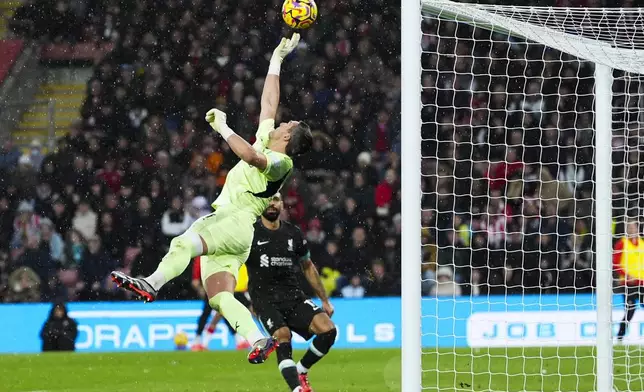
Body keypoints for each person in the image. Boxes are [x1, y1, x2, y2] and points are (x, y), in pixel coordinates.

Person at [110, 33, 313, 364]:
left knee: (182, 244)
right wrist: (276, 60)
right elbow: (268, 104)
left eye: (285, 125)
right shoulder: (267, 138)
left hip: (233, 220)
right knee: (220, 297)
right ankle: (258, 338)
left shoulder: (282, 162)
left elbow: (250, 157)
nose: (279, 122)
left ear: (287, 136)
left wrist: (222, 127)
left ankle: (151, 283)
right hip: (239, 237)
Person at [246, 193, 336, 392]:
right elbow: (233, 264)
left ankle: (301, 370)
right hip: (265, 299)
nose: (272, 203)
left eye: (276, 199)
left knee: (329, 331)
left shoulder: (293, 233)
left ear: (282, 204)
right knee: (283, 335)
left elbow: (308, 266)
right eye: (268, 200)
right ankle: (296, 389)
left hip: (293, 296)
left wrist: (325, 300)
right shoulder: (249, 233)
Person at [191, 256, 252, 351]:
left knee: (220, 314)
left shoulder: (224, 254)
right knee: (210, 313)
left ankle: (202, 342)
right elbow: (197, 275)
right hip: (213, 288)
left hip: (228, 289)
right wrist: (201, 288)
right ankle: (198, 341)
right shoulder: (204, 257)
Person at [614, 219, 644, 341]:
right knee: (630, 311)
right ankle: (620, 337)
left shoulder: (642, 243)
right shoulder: (622, 243)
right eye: (629, 228)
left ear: (637, 229)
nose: (631, 230)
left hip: (642, 283)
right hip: (628, 284)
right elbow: (615, 263)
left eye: (633, 227)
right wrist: (626, 275)